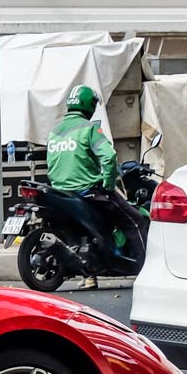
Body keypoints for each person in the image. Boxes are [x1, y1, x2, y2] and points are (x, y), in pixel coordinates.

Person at [46, 85, 138, 290]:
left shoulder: (55, 131)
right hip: (87, 190)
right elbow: (109, 156)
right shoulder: (89, 128)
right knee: (135, 221)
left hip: (60, 192)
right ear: (89, 105)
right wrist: (108, 183)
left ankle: (90, 277)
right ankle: (145, 270)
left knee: (82, 231)